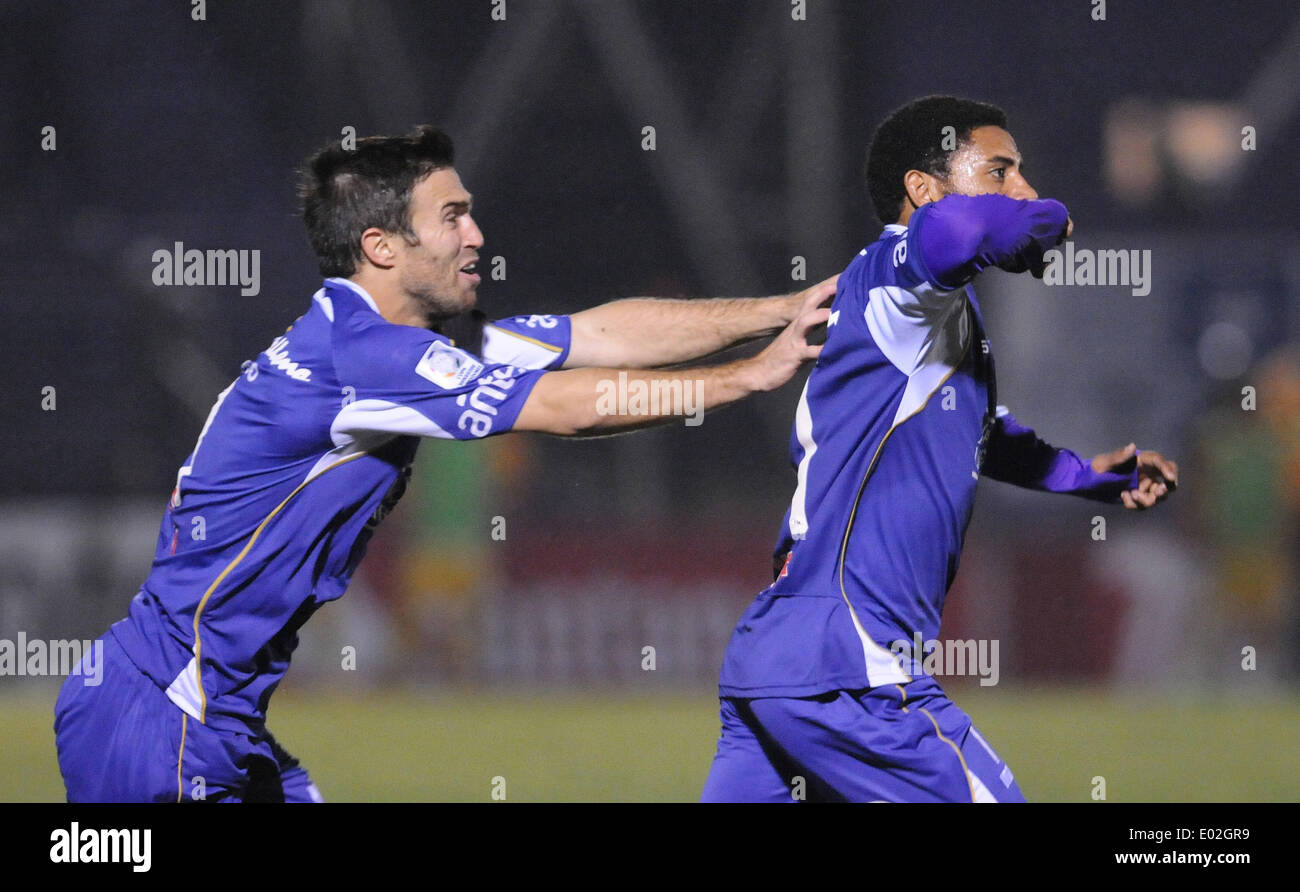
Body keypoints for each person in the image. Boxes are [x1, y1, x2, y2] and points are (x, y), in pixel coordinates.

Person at [53, 124, 835, 802]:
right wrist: (749, 376)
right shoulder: (367, 357)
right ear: (381, 246)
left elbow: (595, 337)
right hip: (162, 719)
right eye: (453, 217)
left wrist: (778, 311)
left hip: (198, 714)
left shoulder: (384, 345)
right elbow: (568, 406)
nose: (477, 237)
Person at [701, 96, 1179, 803]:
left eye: (1024, 174)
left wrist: (1092, 476)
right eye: (999, 171)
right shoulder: (898, 271)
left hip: (783, 663)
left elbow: (988, 438)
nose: (1021, 189)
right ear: (922, 190)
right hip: (850, 662)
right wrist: (1047, 219)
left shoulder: (942, 315)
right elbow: (962, 232)